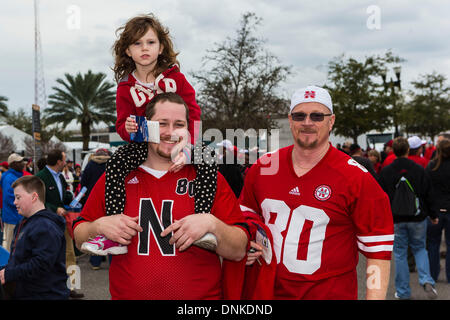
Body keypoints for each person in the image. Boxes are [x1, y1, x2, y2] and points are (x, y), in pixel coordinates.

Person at [73, 93, 249, 300]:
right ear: (146, 127)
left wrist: (212, 224)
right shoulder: (117, 176)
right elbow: (79, 237)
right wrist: (98, 227)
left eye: (179, 124)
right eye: (162, 124)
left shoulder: (208, 177)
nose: (171, 132)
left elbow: (239, 250)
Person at [240, 85, 394, 300]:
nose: (307, 122)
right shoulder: (263, 167)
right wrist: (247, 239)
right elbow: (246, 216)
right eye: (299, 115)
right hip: (267, 293)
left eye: (317, 116)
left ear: (331, 121)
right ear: (290, 120)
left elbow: (378, 253)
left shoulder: (356, 178)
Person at [84, 13, 217, 256]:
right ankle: (114, 234)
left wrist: (190, 143)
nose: (144, 48)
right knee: (115, 163)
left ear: (161, 46)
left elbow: (194, 111)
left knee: (208, 158)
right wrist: (130, 130)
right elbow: (122, 125)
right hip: (145, 145)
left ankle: (203, 224)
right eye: (137, 43)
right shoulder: (125, 88)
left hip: (179, 141)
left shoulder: (175, 77)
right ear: (127, 51)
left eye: (150, 42)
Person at [378, 136, 438, 300]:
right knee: (420, 249)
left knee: (400, 254)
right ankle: (426, 279)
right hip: (417, 217)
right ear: (407, 150)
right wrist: (433, 215)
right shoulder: (419, 169)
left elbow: (380, 197)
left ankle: (403, 291)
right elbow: (428, 194)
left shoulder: (386, 171)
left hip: (396, 219)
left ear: (394, 151)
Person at [0, 176, 69, 300]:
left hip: (44, 294)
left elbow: (41, 264)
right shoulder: (24, 223)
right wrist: (5, 270)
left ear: (34, 197)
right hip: (26, 291)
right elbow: (21, 258)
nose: (14, 202)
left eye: (18, 197)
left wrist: (10, 273)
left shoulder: (46, 227)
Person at [35, 149, 84, 299]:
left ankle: (72, 287)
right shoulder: (40, 177)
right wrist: (54, 208)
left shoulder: (60, 176)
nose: (66, 161)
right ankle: (49, 288)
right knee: (49, 255)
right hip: (48, 223)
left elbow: (65, 195)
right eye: (64, 159)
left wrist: (75, 198)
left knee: (70, 254)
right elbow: (37, 200)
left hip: (63, 222)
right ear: (59, 162)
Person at [79, 148, 111, 269]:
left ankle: (95, 261)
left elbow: (84, 184)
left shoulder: (90, 165)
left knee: (96, 232)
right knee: (110, 229)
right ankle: (111, 259)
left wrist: (83, 199)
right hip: (109, 200)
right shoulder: (111, 163)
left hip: (93, 202)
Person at [426, 138, 450, 283]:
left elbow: (426, 189)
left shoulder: (432, 166)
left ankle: (433, 274)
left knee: (433, 244)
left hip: (435, 209)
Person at [0, 154, 25, 251]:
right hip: (12, 217)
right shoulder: (9, 178)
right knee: (9, 245)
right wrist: (24, 203)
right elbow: (9, 198)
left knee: (15, 245)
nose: (22, 164)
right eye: (20, 162)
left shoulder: (14, 176)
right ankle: (6, 265)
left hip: (17, 216)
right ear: (13, 164)